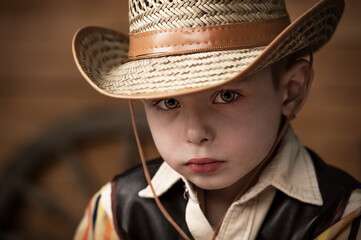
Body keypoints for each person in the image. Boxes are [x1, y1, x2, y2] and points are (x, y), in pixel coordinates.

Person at [72, 0, 361, 239]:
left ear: (290, 92)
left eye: (226, 96)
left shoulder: (343, 218)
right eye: (168, 102)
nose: (196, 133)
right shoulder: (115, 212)